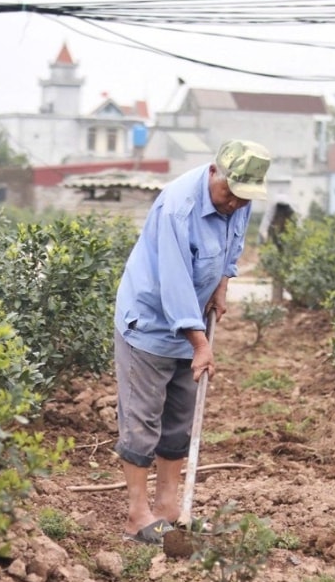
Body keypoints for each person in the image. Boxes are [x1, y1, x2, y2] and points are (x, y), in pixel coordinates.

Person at [113, 139, 272, 545]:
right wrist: (201, 344)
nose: (235, 203)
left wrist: (222, 284)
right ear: (214, 171)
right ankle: (137, 516)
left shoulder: (238, 200)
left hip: (192, 325)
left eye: (244, 197)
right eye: (230, 193)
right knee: (143, 421)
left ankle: (168, 511)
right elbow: (175, 282)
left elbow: (232, 245)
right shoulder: (177, 208)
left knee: (179, 421)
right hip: (149, 325)